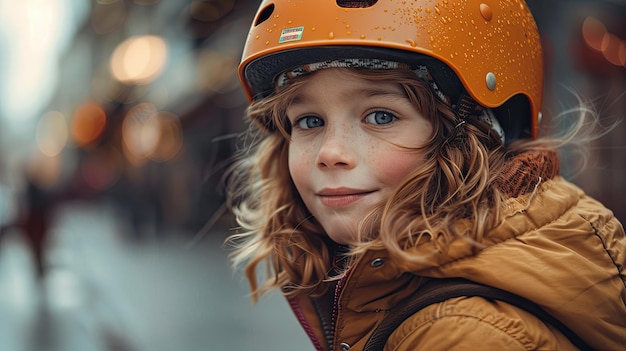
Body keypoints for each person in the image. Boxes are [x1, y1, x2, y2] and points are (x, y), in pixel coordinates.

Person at [225, 0, 626, 350]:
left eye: (381, 116)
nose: (330, 154)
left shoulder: (461, 335)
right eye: (309, 120)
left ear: (474, 138)